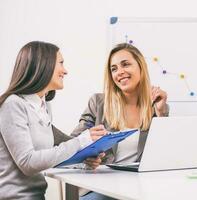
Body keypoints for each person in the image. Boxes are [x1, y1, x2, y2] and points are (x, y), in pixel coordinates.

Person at [0, 41, 105, 200]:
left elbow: (49, 157)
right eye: (61, 63)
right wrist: (81, 141)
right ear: (44, 64)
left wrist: (83, 161)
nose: (65, 71)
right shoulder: (13, 105)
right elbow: (28, 163)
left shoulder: (44, 106)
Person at [71, 43, 169, 199]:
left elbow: (165, 155)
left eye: (126, 64)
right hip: (102, 188)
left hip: (140, 189)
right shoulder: (98, 103)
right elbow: (72, 144)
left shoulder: (156, 107)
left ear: (141, 67)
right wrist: (87, 158)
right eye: (114, 69)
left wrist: (161, 112)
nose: (120, 72)